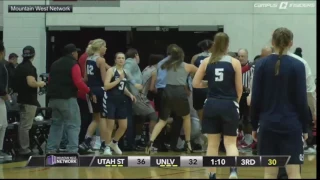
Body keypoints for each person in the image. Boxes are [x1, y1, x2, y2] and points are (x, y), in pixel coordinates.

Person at [250, 27, 309, 179]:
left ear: (273, 42)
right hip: (292, 125)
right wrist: (305, 127)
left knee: (270, 172)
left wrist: (254, 125)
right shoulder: (298, 65)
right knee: (294, 172)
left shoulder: (261, 65)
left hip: (267, 125)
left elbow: (255, 98)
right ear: (291, 43)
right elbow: (302, 100)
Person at [193, 32, 242, 179]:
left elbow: (195, 83)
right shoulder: (235, 62)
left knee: (212, 144)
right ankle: (233, 172)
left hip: (212, 104)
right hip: (229, 104)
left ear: (213, 44)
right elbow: (239, 89)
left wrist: (210, 84)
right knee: (230, 143)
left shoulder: (206, 61)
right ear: (227, 45)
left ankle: (212, 175)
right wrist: (235, 103)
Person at [145, 45, 197, 154]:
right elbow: (201, 72)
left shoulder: (162, 65)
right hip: (179, 92)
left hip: (166, 91)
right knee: (186, 117)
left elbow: (157, 75)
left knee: (162, 120)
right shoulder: (187, 66)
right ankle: (188, 144)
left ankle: (150, 142)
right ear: (182, 55)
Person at [46, 43, 93, 153]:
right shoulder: (73, 64)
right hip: (67, 99)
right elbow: (78, 82)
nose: (77, 54)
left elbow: (49, 81)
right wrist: (89, 91)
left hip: (53, 99)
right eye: (76, 52)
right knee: (73, 125)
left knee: (56, 124)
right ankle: (72, 150)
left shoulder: (54, 64)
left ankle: (51, 150)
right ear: (73, 53)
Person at [78, 39, 110, 155]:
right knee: (103, 119)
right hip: (100, 91)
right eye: (105, 46)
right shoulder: (100, 60)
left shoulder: (88, 59)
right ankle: (105, 144)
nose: (106, 49)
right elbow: (104, 79)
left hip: (90, 91)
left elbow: (85, 78)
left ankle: (86, 141)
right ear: (100, 47)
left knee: (96, 119)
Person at [13, 46, 45, 156]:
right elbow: (31, 82)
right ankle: (24, 149)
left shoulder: (19, 67)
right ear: (34, 55)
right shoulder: (30, 68)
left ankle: (22, 146)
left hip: (20, 99)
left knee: (23, 125)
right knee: (26, 126)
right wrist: (40, 83)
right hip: (29, 101)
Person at [104, 52, 136, 155]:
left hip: (121, 101)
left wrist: (130, 94)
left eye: (123, 58)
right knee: (111, 126)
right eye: (119, 58)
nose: (121, 60)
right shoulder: (111, 70)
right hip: (111, 100)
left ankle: (114, 142)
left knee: (123, 126)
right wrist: (118, 79)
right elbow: (106, 86)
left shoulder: (125, 71)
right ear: (115, 60)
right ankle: (107, 147)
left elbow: (122, 86)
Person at [191, 39, 212, 122]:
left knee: (199, 109)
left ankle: (201, 128)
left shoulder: (195, 57)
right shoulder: (215, 57)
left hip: (198, 86)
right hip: (210, 85)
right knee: (211, 108)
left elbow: (192, 74)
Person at [237, 48, 254, 151]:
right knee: (236, 119)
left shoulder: (252, 68)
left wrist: (248, 89)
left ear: (247, 56)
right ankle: (238, 138)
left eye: (243, 56)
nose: (240, 58)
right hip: (237, 96)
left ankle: (249, 139)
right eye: (239, 56)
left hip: (247, 96)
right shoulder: (234, 67)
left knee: (248, 119)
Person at [0, 42, 12, 159]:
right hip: (0, 99)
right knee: (2, 124)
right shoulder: (1, 65)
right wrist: (4, 94)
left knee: (3, 124)